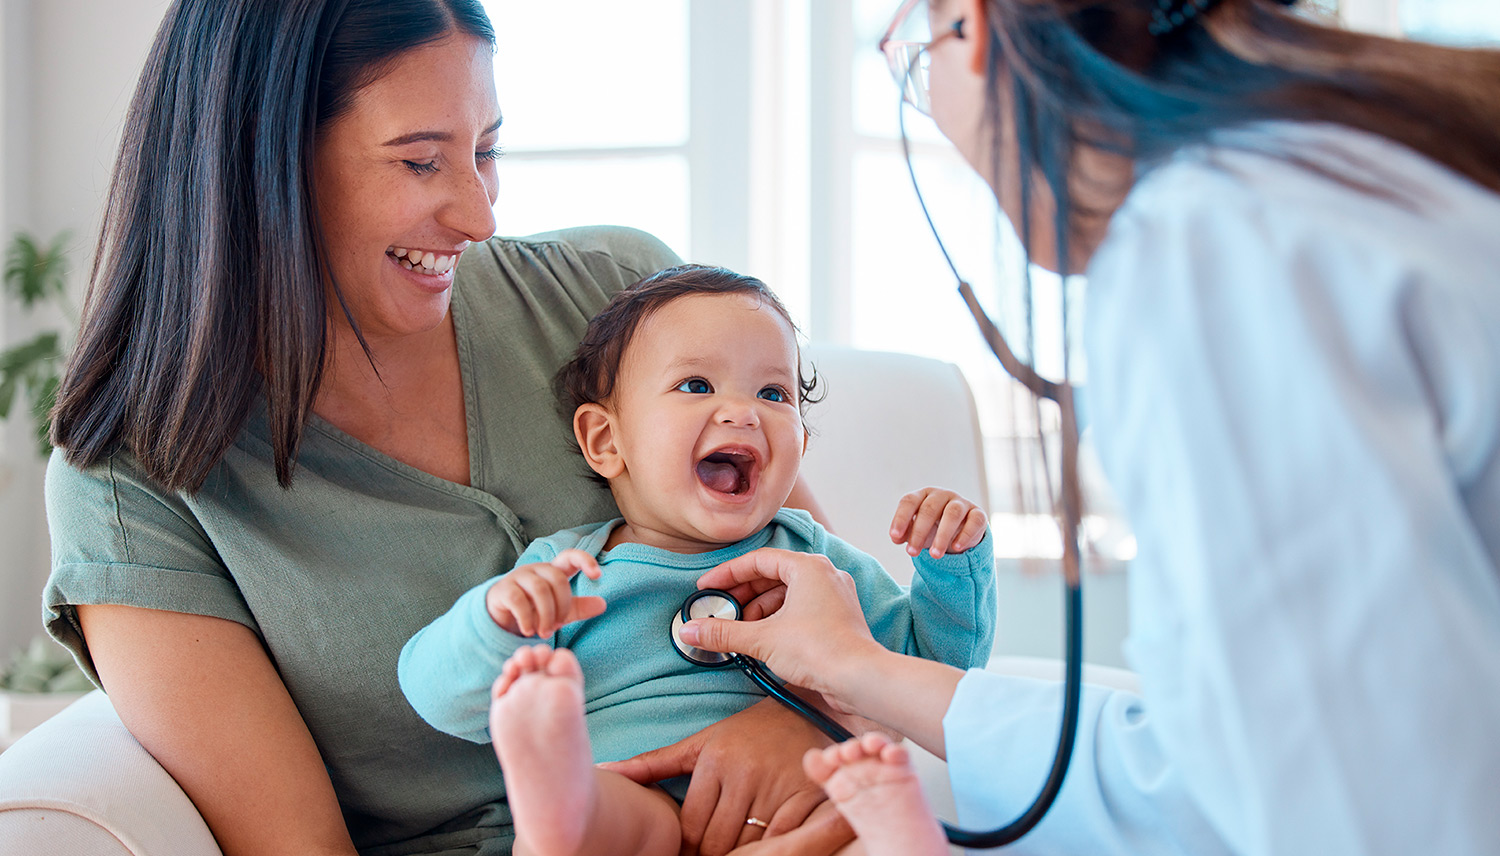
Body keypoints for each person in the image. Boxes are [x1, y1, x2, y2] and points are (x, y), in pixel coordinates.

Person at [656, 0, 1500, 854]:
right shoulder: (1365, 172)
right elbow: (1228, 764)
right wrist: (857, 671)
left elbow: (1349, 808)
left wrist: (870, 661)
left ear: (971, 29)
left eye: (916, 62)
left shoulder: (1211, 248)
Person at [39, 3, 865, 854]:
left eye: (487, 151)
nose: (479, 216)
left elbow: (834, 612)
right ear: (263, 163)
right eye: (422, 161)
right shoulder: (127, 484)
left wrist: (794, 725)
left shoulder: (622, 298)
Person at [396, 265, 997, 856]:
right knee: (610, 815)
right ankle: (559, 805)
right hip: (634, 791)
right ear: (607, 441)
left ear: (801, 448)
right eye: (696, 386)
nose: (743, 412)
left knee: (851, 820)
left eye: (773, 393)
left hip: (798, 805)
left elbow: (924, 670)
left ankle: (897, 833)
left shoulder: (811, 559)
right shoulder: (568, 570)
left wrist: (951, 564)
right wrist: (494, 622)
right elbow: (439, 698)